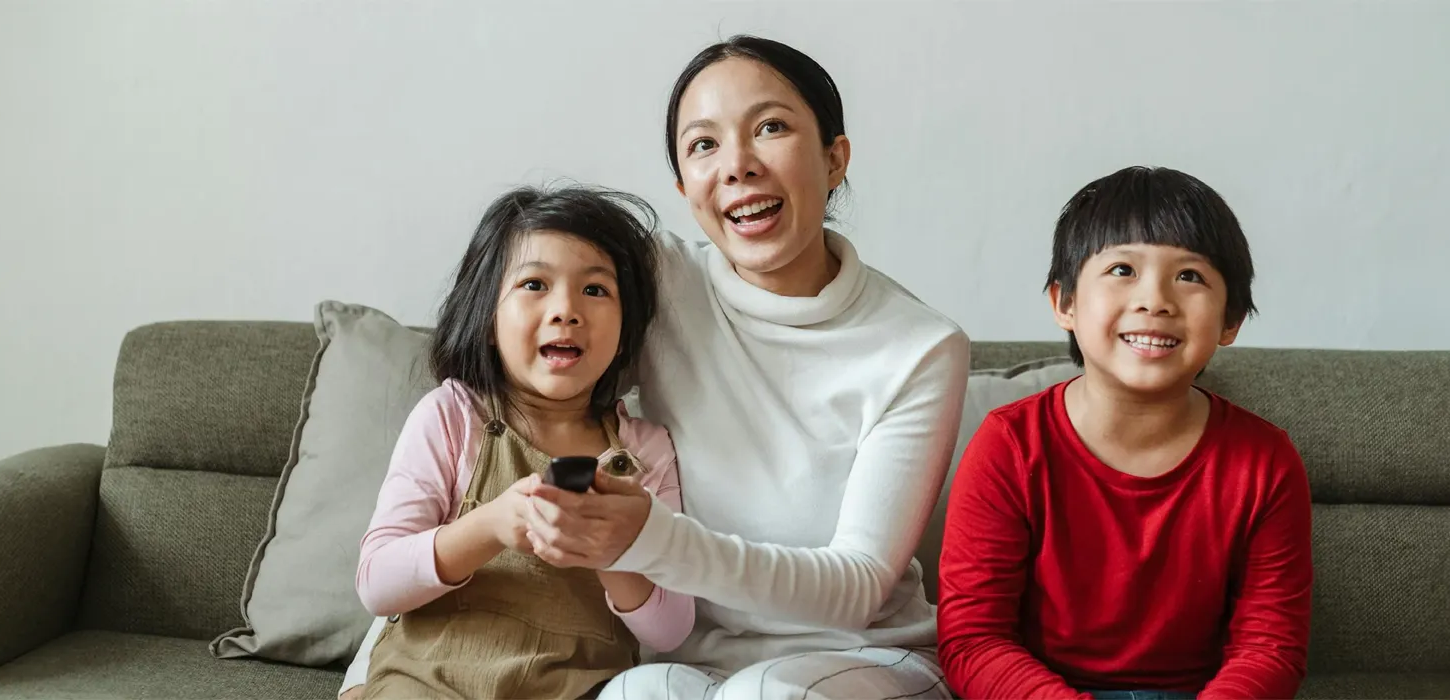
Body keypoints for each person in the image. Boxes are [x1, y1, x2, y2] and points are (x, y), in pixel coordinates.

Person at [344, 35, 969, 700]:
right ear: (683, 186)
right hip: (693, 664)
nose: (737, 165)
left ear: (834, 156)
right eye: (704, 144)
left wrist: (649, 537)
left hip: (857, 656)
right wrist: (368, 679)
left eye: (771, 128)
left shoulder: (921, 347)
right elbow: (505, 394)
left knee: (768, 696)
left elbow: (855, 590)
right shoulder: (655, 281)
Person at [936, 166, 1314, 700]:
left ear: (1230, 321)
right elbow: (974, 640)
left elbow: (1269, 648)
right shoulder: (1009, 447)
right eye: (1121, 269)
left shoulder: (1265, 461)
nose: (1155, 299)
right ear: (1064, 302)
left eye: (1190, 276)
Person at [350, 184, 694, 699]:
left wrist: (609, 547)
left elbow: (670, 629)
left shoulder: (647, 453)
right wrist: (490, 525)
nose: (566, 310)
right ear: (488, 319)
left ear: (625, 334)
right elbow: (377, 582)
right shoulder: (451, 417)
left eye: (596, 290)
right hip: (429, 681)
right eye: (535, 284)